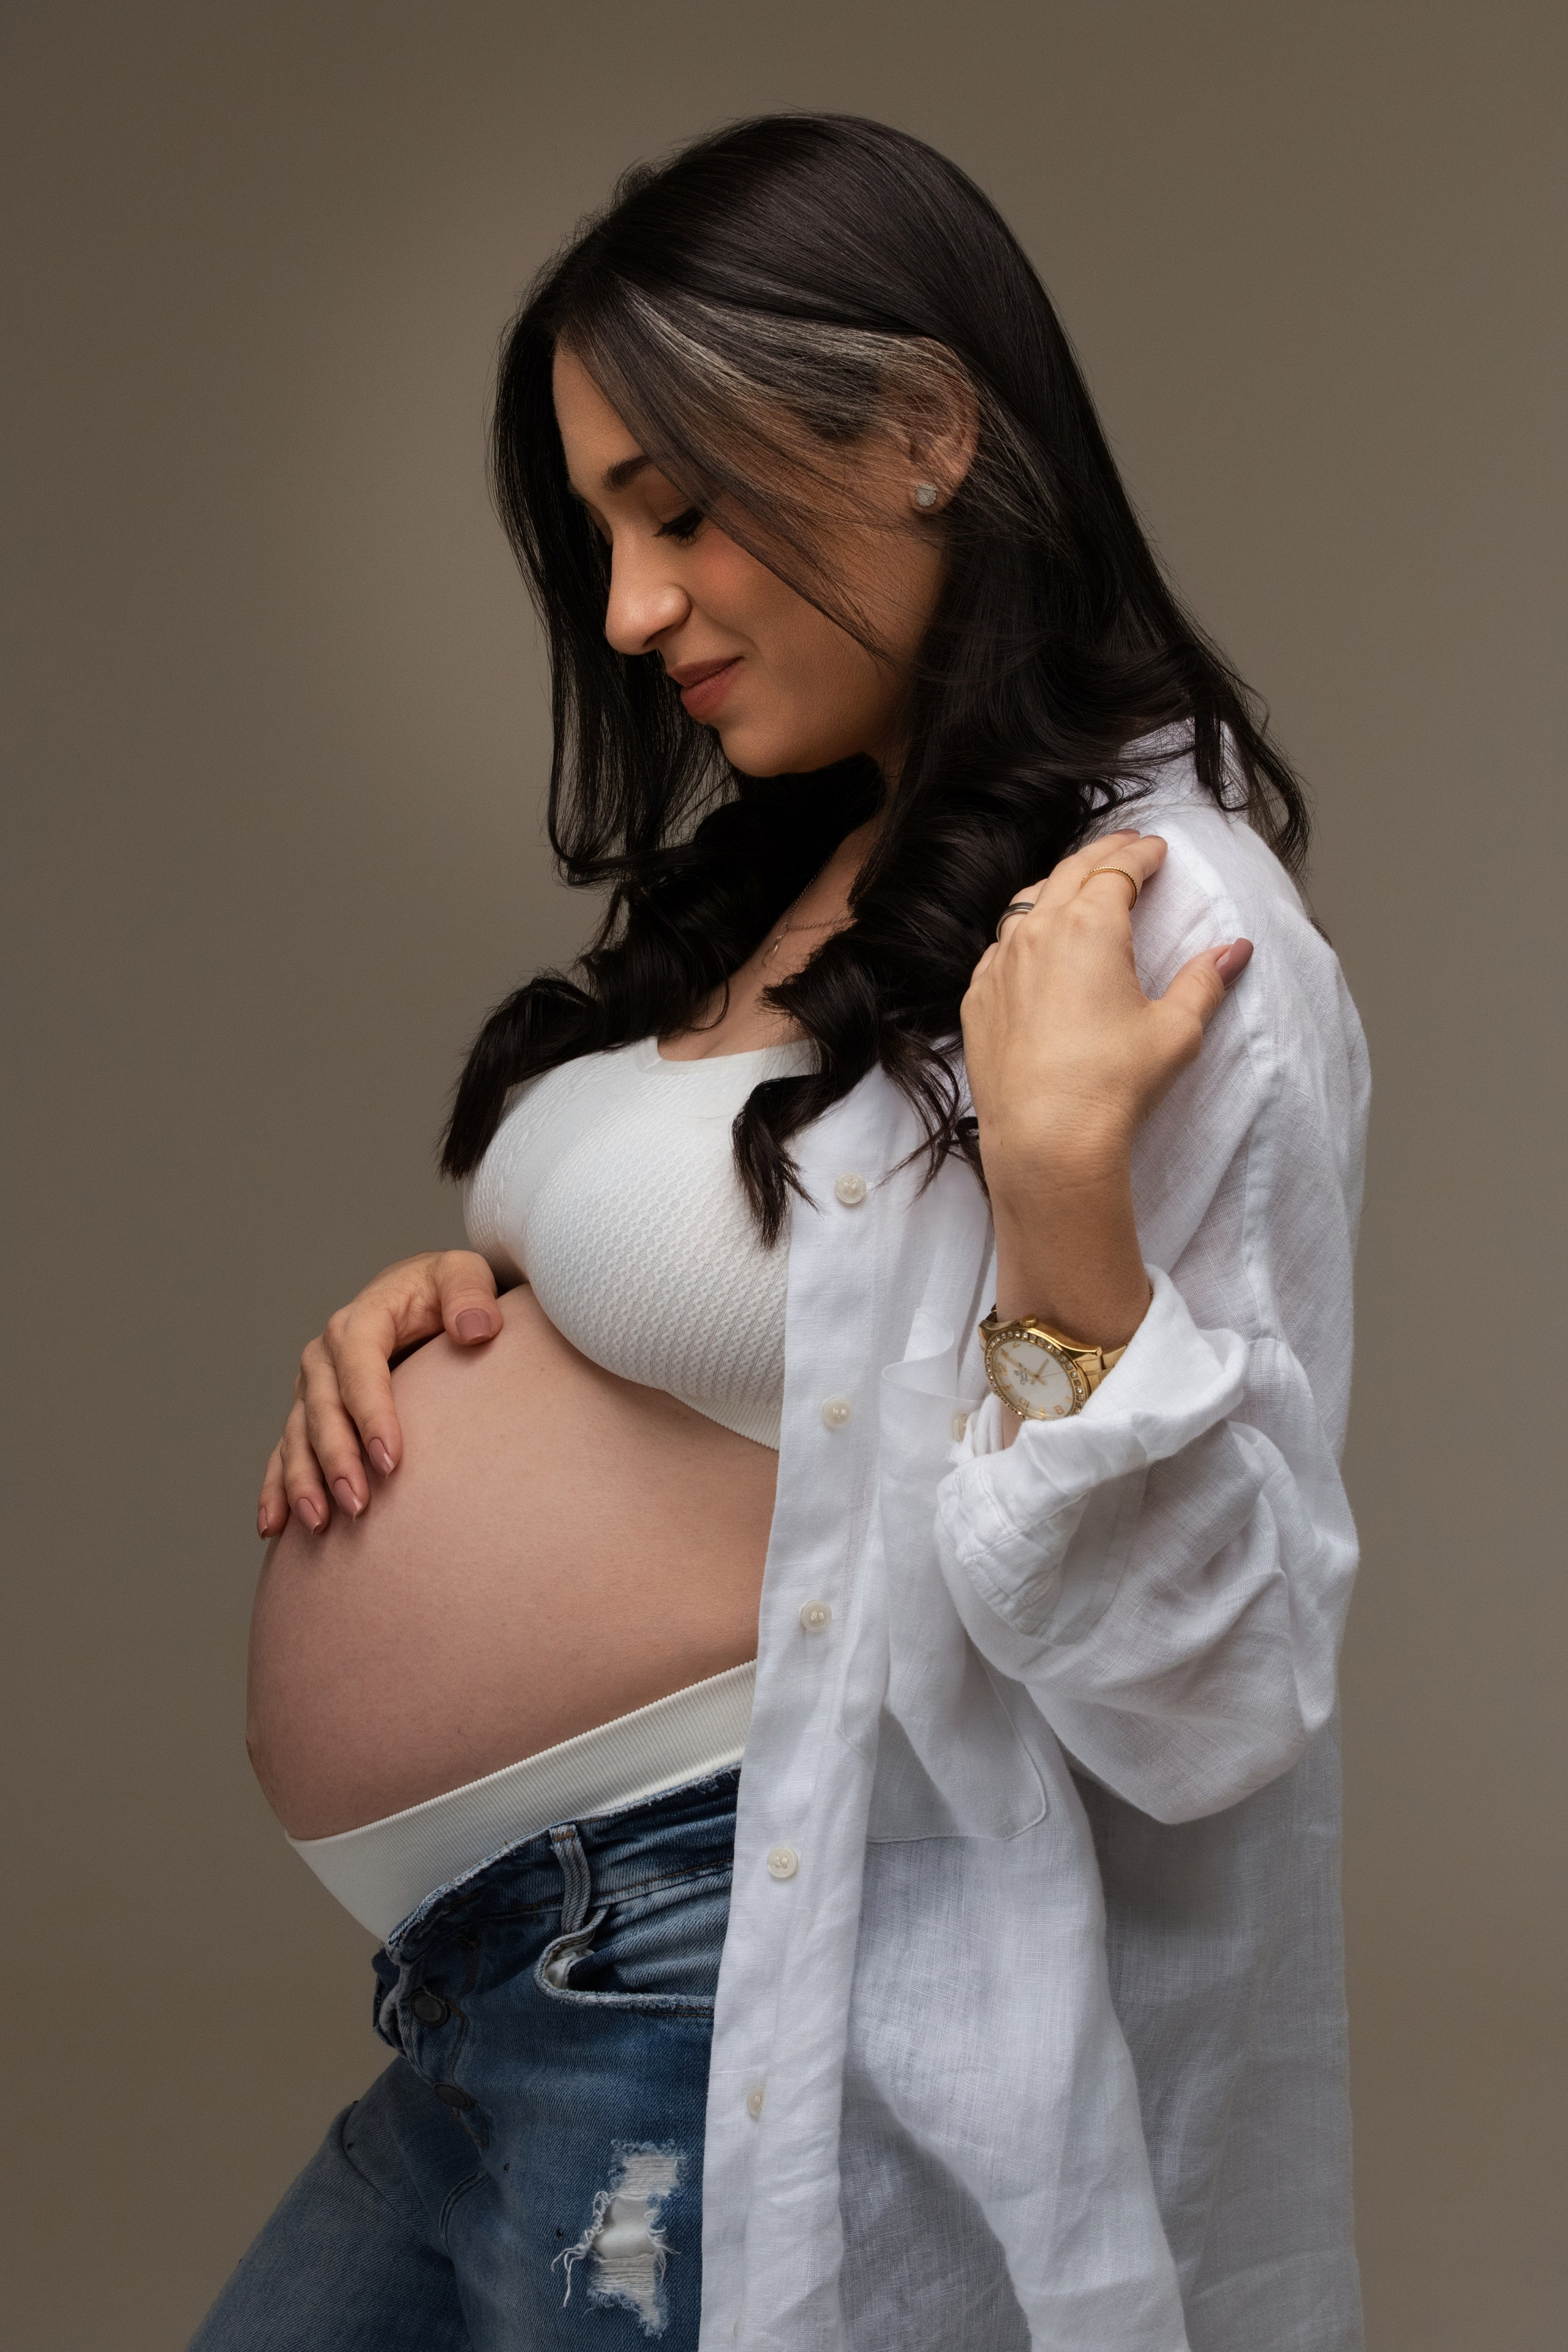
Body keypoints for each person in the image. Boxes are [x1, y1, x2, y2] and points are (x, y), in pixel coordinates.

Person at [198, 114, 1368, 2352]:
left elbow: (1210, 1697)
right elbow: (785, 1340)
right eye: (600, 533)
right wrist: (471, 1310)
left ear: (927, 429)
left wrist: (1068, 1225)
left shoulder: (1165, 925)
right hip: (500, 1978)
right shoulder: (825, 859)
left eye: (678, 508)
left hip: (702, 1974)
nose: (630, 614)